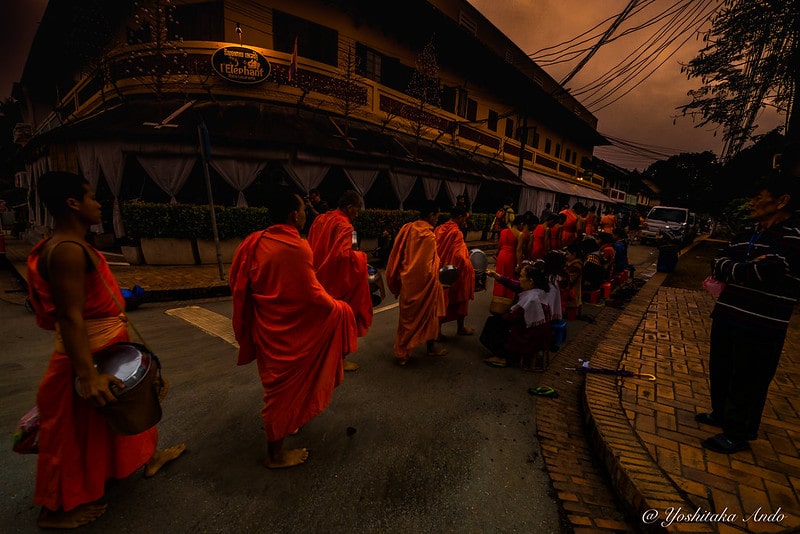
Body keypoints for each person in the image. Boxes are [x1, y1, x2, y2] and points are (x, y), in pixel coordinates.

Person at [26, 171, 185, 529]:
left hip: (107, 344)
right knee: (69, 434)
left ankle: (148, 457)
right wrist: (87, 375)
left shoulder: (76, 246)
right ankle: (54, 512)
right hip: (86, 355)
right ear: (72, 204)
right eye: (92, 197)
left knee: (128, 407)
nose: (99, 204)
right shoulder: (66, 251)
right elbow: (70, 316)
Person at [230, 187, 357, 467]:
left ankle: (291, 420)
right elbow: (312, 295)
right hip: (289, 335)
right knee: (280, 394)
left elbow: (240, 287)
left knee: (278, 389)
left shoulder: (253, 242)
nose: (304, 216)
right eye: (302, 211)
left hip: (268, 329)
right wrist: (340, 308)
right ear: (293, 216)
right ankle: (275, 455)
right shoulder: (296, 246)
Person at [696, 170, 800, 454]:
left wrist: (738, 268)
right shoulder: (749, 232)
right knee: (722, 369)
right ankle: (721, 414)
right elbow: (718, 261)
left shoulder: (793, 236)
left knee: (749, 377)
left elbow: (772, 270)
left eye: (758, 198)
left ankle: (738, 432)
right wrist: (743, 267)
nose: (751, 203)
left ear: (782, 201)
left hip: (762, 324)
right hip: (728, 314)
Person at [307, 190, 372, 371]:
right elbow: (343, 257)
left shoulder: (321, 219)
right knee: (341, 319)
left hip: (317, 277)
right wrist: (361, 258)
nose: (357, 215)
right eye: (357, 211)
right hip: (336, 280)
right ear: (349, 208)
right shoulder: (345, 227)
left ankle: (320, 357)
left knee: (321, 320)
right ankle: (338, 361)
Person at [385, 201, 447, 365]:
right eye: (437, 216)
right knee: (429, 315)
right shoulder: (428, 236)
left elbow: (398, 254)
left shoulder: (408, 228)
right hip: (423, 284)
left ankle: (403, 352)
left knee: (408, 320)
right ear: (430, 215)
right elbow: (426, 267)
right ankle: (425, 348)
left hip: (408, 282)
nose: (437, 220)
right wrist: (436, 275)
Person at [482, 264, 552, 369]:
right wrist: (496, 276)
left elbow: (514, 317)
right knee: (497, 320)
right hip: (538, 331)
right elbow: (513, 284)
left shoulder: (532, 299)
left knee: (494, 322)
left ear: (531, 281)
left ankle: (503, 356)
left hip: (529, 335)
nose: (519, 279)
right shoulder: (538, 289)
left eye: (521, 276)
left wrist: (503, 314)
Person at [435, 205, 475, 337]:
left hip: (440, 270)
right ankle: (460, 328)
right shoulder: (456, 232)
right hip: (454, 271)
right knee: (461, 298)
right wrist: (469, 268)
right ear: (459, 217)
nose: (465, 222)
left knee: (441, 300)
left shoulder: (439, 229)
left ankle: (438, 332)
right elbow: (459, 255)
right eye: (465, 218)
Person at [490, 215, 524, 314]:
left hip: (501, 256)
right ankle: (506, 304)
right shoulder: (520, 234)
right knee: (509, 278)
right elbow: (518, 251)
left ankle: (496, 302)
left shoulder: (504, 231)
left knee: (499, 278)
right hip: (510, 257)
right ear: (521, 224)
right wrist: (519, 265)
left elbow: (499, 246)